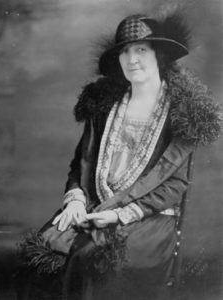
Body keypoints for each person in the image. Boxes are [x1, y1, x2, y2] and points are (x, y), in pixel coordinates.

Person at [17, 12, 222, 300]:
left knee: (89, 257)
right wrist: (75, 200)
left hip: (148, 217)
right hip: (95, 204)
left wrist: (118, 214)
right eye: (125, 51)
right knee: (43, 247)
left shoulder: (179, 114)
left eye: (141, 49)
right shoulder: (104, 107)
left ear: (159, 56)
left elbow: (175, 186)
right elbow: (80, 166)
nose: (131, 58)